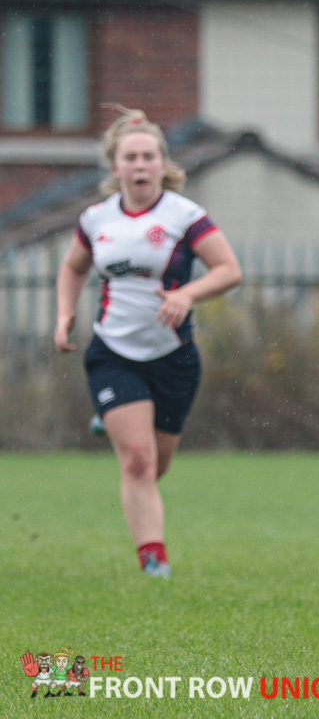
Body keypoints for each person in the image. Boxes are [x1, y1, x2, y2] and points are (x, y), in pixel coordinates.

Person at [54, 106, 242, 580]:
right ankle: (153, 558)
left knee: (154, 464)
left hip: (174, 356)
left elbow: (229, 270)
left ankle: (115, 424)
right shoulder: (96, 219)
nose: (140, 166)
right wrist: (64, 313)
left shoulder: (185, 215)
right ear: (115, 167)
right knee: (137, 460)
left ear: (163, 164)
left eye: (149, 157)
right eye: (130, 158)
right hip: (113, 353)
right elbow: (74, 266)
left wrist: (187, 294)